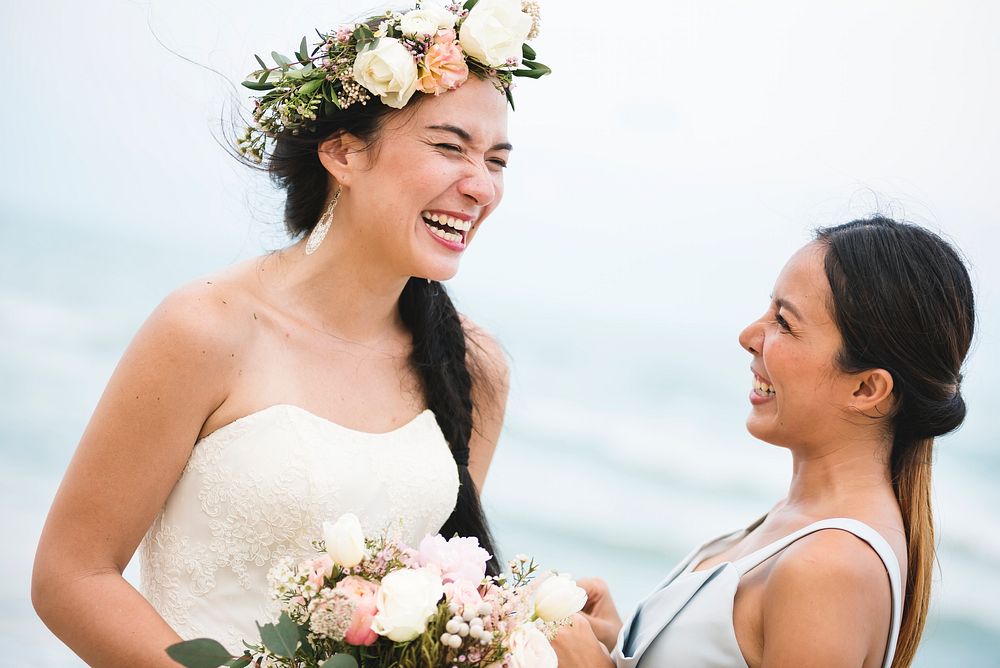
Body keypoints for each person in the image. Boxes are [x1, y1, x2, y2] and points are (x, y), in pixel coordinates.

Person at [31, 2, 548, 664]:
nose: (480, 187)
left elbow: (436, 608)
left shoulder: (472, 367)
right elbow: (73, 577)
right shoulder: (207, 328)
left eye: (496, 160)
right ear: (341, 152)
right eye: (449, 147)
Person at [554, 216, 975, 668]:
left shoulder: (828, 568)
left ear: (866, 390)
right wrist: (625, 643)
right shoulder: (798, 521)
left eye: (784, 323)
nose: (749, 336)